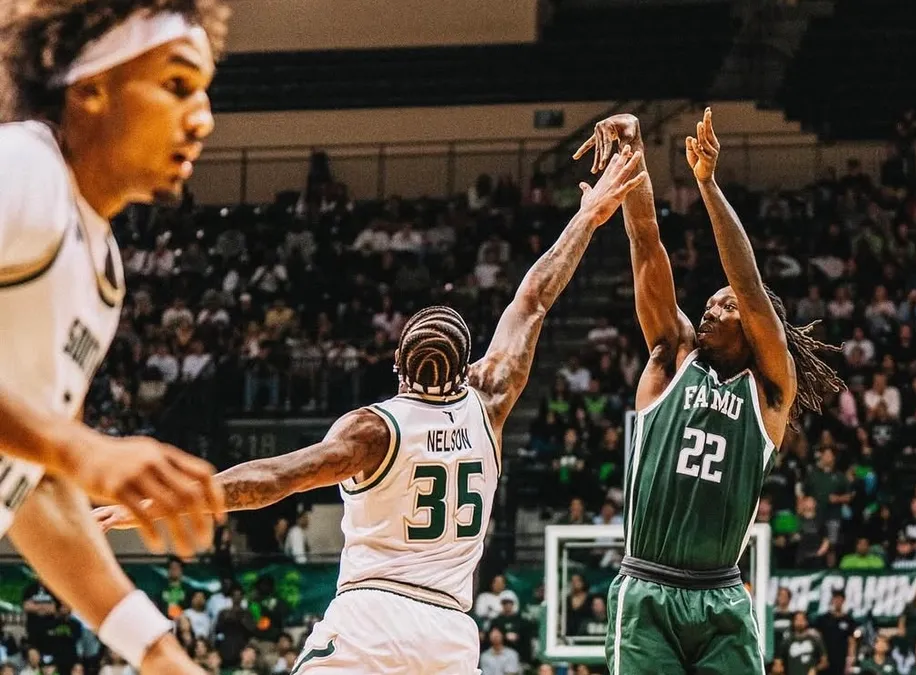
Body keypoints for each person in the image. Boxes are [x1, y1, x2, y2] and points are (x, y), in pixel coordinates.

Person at [96, 146, 649, 674]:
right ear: (466, 370)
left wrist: (158, 503)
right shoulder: (492, 400)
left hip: (373, 616)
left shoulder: (371, 431)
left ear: (396, 365)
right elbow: (533, 298)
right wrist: (588, 217)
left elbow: (271, 480)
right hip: (450, 629)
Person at [0, 2, 233, 672]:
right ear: (92, 89)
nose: (204, 116)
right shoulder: (24, 170)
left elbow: (35, 484)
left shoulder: (100, 267)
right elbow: (61, 454)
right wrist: (84, 450)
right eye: (178, 85)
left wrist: (156, 650)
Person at [575, 109, 843, 674]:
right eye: (711, 302)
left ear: (753, 322)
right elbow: (646, 242)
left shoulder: (770, 389)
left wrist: (708, 185)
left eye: (726, 306)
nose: (710, 307)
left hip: (721, 595)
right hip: (647, 589)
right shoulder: (671, 356)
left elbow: (747, 283)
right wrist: (634, 149)